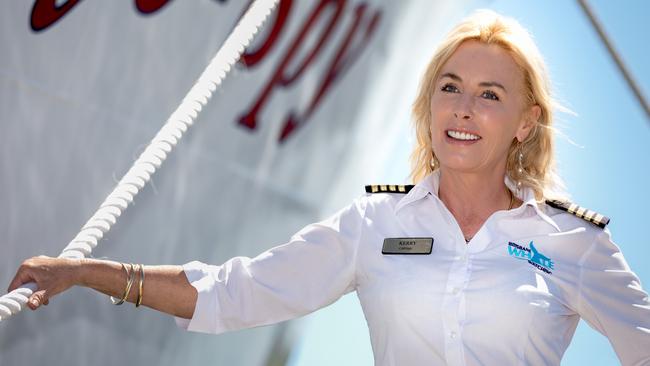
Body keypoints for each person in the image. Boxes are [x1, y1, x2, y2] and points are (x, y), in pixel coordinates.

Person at [7, 9, 650, 365]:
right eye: (450, 88)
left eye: (490, 96)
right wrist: (87, 272)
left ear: (525, 122)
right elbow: (240, 291)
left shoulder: (573, 243)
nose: (463, 110)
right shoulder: (377, 224)